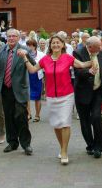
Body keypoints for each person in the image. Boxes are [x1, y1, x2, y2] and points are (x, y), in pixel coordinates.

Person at [23, 34, 92, 164]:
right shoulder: (45, 59)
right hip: (51, 97)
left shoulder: (68, 58)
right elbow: (32, 70)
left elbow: (82, 65)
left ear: (62, 45)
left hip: (66, 95)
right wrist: (25, 58)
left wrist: (95, 58)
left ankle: (65, 151)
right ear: (50, 45)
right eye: (53, 43)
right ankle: (62, 147)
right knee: (56, 125)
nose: (55, 45)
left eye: (58, 43)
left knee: (65, 123)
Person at [0, 28, 35, 155]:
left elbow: (33, 64)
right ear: (6, 38)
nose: (11, 38)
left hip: (19, 89)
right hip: (6, 89)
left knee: (21, 116)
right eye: (9, 36)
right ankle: (12, 142)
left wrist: (25, 55)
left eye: (14, 36)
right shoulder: (3, 49)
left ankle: (26, 144)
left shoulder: (25, 49)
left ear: (18, 38)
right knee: (8, 117)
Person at [73, 36, 102, 158]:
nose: (101, 48)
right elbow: (77, 72)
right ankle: (90, 145)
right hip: (82, 92)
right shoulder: (78, 53)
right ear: (90, 47)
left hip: (97, 91)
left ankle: (99, 147)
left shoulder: (101, 53)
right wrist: (88, 72)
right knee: (85, 121)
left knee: (96, 117)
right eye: (98, 46)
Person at [26, 39, 43, 122]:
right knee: (26, 96)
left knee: (37, 97)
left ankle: (37, 115)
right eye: (27, 45)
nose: (29, 47)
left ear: (34, 46)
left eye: (30, 45)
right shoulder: (25, 54)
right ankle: (28, 113)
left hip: (37, 77)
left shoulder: (41, 54)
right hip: (27, 76)